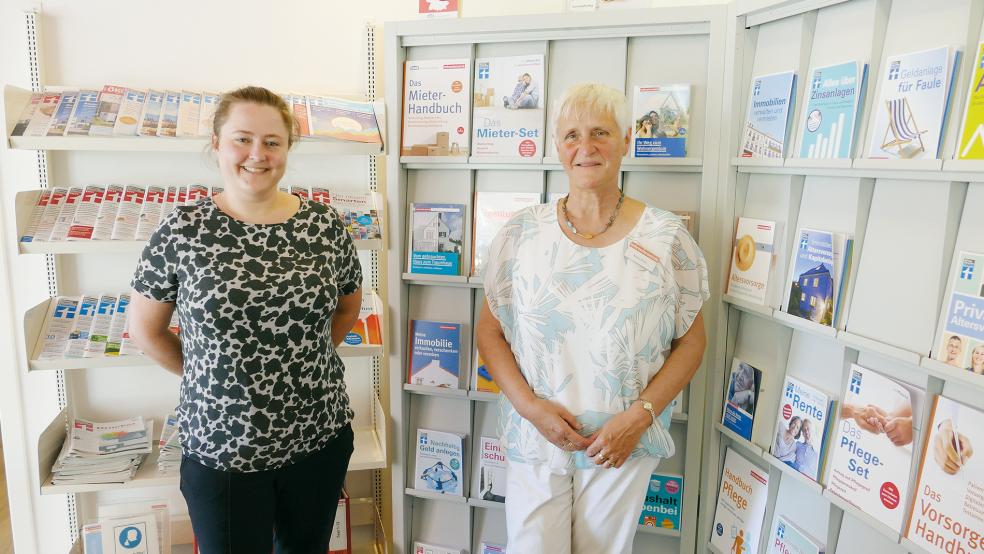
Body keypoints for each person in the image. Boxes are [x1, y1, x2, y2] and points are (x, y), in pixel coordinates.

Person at [127, 86, 363, 554]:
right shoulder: (182, 229)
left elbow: (346, 307)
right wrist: (210, 377)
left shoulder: (324, 225)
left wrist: (301, 363)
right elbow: (145, 331)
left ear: (287, 150)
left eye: (272, 142)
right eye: (242, 139)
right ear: (216, 144)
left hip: (317, 438)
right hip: (221, 452)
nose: (258, 154)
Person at [476, 82, 709, 554]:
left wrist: (640, 417)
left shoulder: (666, 238)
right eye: (571, 135)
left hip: (618, 443)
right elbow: (490, 330)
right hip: (536, 437)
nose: (585, 148)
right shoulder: (521, 234)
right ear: (557, 146)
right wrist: (530, 407)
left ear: (626, 140)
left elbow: (692, 342)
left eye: (600, 132)